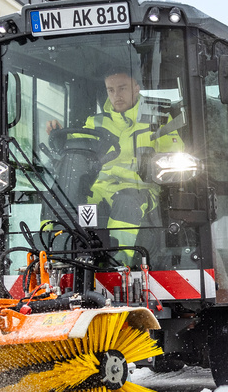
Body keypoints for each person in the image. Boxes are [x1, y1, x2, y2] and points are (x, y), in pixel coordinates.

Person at [47, 68, 183, 254]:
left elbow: (175, 155)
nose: (116, 95)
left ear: (136, 88)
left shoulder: (158, 120)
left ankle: (119, 264)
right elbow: (78, 149)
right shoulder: (95, 122)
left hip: (141, 187)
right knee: (56, 197)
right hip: (100, 187)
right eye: (111, 90)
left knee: (126, 201)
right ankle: (51, 257)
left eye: (122, 88)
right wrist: (62, 140)